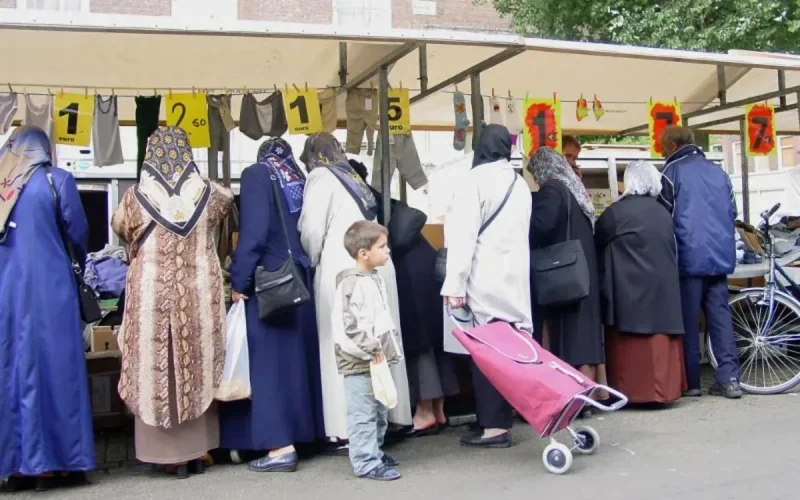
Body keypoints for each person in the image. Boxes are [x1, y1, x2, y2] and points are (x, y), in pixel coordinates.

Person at [111, 126, 233, 478]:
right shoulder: (212, 194)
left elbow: (121, 227)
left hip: (151, 294)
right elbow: (225, 207)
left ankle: (163, 454)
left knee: (155, 363)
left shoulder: (135, 197)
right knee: (195, 360)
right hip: (197, 293)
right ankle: (196, 451)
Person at [297, 132, 412, 453]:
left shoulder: (321, 176)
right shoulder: (352, 176)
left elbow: (312, 230)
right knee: (380, 343)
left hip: (342, 265)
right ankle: (389, 417)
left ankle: (347, 429)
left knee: (343, 346)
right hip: (376, 265)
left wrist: (312, 260)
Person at [221, 138, 325, 472]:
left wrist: (239, 281)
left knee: (269, 368)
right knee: (298, 364)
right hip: (301, 280)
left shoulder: (257, 174)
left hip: (271, 283)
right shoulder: (300, 179)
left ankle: (280, 447)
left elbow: (253, 234)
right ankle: (305, 435)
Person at [0, 126, 94, 492]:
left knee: (12, 370)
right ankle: (58, 463)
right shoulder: (57, 180)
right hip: (50, 288)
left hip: (7, 292)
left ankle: (17, 464)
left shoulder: (4, 185)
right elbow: (77, 232)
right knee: (57, 369)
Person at [348, 158, 459, 437]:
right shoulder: (385, 201)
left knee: (417, 343)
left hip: (407, 275)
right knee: (435, 341)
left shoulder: (362, 207)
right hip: (427, 267)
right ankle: (439, 410)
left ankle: (423, 412)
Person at [441, 124, 533, 448]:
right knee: (510, 350)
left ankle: (494, 427)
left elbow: (463, 239)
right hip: (516, 280)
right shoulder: (519, 183)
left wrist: (455, 285)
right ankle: (501, 418)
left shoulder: (474, 182)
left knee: (486, 353)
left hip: (484, 279)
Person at [658, 126, 742, 399]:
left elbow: (661, 216)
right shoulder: (719, 172)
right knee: (720, 318)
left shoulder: (671, 173)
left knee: (689, 322)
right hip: (719, 258)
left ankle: (692, 382)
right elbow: (734, 212)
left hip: (687, 258)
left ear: (671, 145)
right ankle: (729, 379)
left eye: (662, 147)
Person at [594, 160, 686, 404]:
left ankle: (633, 393)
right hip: (663, 290)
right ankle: (665, 391)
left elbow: (599, 239)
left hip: (629, 290)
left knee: (631, 348)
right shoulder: (663, 212)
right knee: (660, 343)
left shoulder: (616, 212)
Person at [528, 147, 605, 415]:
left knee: (569, 337)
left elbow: (542, 226)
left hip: (565, 273)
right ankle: (592, 395)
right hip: (584, 271)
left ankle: (576, 399)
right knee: (584, 337)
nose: (536, 179)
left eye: (535, 173)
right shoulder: (575, 188)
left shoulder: (553, 189)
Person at [334, 220, 404, 481]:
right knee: (363, 414)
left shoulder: (373, 279)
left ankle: (374, 451)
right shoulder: (352, 284)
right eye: (382, 247)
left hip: (376, 359)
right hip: (360, 360)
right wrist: (372, 348)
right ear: (363, 253)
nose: (387, 252)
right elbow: (349, 325)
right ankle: (365, 462)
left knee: (379, 409)